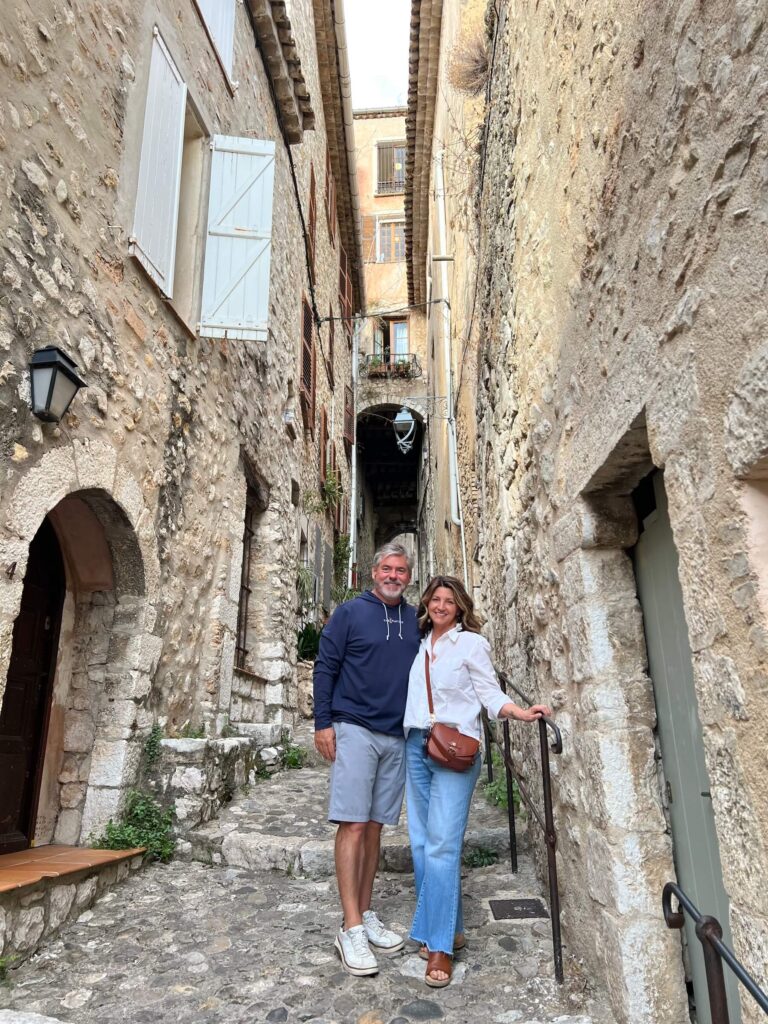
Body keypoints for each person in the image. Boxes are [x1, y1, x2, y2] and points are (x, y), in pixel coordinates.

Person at [403, 575, 550, 988]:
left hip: (455, 751)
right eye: (436, 598)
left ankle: (439, 949)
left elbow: (489, 693)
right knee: (419, 843)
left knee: (443, 845)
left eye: (450, 600)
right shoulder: (419, 644)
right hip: (416, 745)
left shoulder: (470, 644)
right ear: (427, 604)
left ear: (460, 606)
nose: (441, 605)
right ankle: (451, 928)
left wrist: (518, 713)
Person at [313, 541, 421, 977]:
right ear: (373, 572)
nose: (394, 576)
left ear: (408, 577)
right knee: (353, 823)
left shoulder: (415, 620)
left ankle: (366, 911)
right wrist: (323, 722)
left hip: (395, 735)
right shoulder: (350, 613)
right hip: (354, 727)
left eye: (401, 570)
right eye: (387, 569)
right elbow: (325, 666)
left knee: (376, 828)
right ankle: (350, 926)